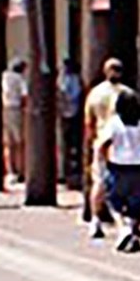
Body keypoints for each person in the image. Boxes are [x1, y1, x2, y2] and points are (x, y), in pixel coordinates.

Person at [98, 90, 140, 253]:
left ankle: (123, 228)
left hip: (118, 166)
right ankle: (132, 231)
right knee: (137, 204)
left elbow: (104, 143)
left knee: (114, 201)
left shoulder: (114, 122)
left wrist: (102, 161)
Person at [83, 58, 131, 239]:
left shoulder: (95, 94)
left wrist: (91, 142)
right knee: (123, 183)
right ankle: (125, 222)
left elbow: (89, 122)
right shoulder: (127, 93)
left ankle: (96, 220)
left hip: (102, 140)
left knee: (99, 182)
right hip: (124, 143)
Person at [1, 58, 30, 183]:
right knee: (19, 142)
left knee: (8, 143)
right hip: (16, 109)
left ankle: (10, 170)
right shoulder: (19, 79)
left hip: (4, 108)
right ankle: (20, 170)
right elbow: (25, 96)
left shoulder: (4, 76)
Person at [58, 57, 85, 188]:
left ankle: (69, 175)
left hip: (70, 115)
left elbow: (68, 96)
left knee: (69, 146)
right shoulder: (75, 80)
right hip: (72, 114)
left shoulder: (69, 80)